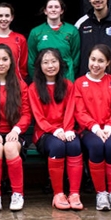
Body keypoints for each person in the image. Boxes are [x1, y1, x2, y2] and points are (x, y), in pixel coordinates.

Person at [28, 48, 83, 210]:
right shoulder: (34, 88)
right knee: (57, 146)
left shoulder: (68, 85)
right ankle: (58, 193)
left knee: (74, 145)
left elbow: (70, 110)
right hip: (44, 133)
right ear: (39, 66)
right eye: (45, 62)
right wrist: (55, 130)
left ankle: (74, 193)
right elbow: (38, 116)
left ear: (60, 63)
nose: (50, 65)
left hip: (66, 129)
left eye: (53, 61)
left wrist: (67, 129)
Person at [73, 44, 111, 211]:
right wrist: (95, 128)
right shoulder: (80, 83)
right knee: (96, 146)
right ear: (88, 59)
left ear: (108, 62)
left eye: (101, 61)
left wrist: (109, 127)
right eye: (93, 59)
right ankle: (100, 193)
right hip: (89, 130)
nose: (96, 64)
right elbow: (79, 111)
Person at [0, 43, 31, 211]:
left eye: (4, 59)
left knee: (9, 148)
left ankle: (18, 194)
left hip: (14, 133)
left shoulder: (20, 86)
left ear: (11, 62)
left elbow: (26, 113)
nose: (1, 63)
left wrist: (16, 130)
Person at [27, 0, 80, 82]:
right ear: (45, 11)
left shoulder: (72, 31)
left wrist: (70, 75)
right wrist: (37, 80)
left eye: (56, 7)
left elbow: (76, 58)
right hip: (43, 80)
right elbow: (31, 59)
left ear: (61, 11)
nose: (53, 10)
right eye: (50, 7)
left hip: (66, 78)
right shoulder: (35, 32)